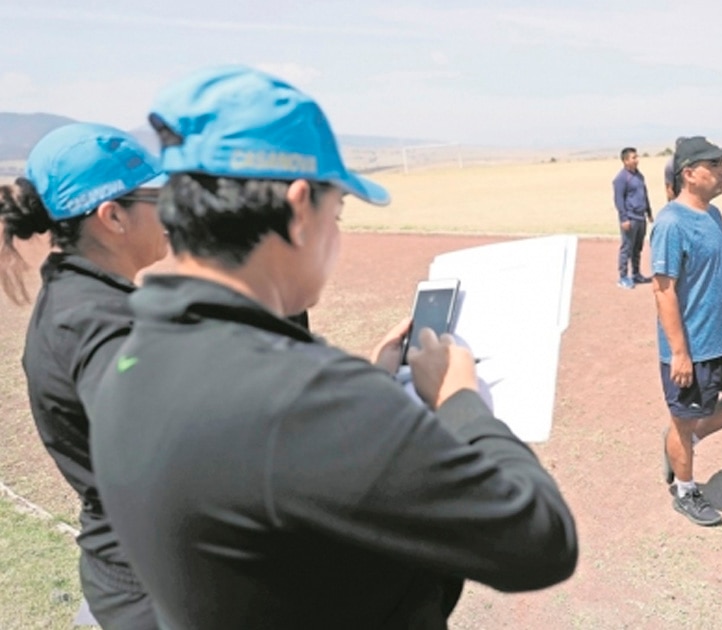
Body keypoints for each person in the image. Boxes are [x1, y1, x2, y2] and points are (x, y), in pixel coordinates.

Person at [87, 66, 578, 629]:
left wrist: (369, 387)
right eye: (337, 213)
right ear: (299, 208)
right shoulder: (307, 400)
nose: (336, 236)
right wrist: (458, 399)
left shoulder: (133, 355)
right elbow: (541, 541)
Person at [0, 123, 167, 628]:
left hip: (124, 574)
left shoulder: (81, 299)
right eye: (156, 197)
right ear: (113, 215)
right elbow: (168, 460)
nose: (170, 211)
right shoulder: (101, 324)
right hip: (155, 589)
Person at [651, 136, 722, 526]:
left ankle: (687, 440)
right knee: (682, 422)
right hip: (693, 350)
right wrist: (679, 352)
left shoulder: (714, 214)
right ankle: (685, 490)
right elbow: (663, 291)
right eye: (714, 165)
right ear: (689, 174)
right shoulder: (670, 223)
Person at [612, 147, 653, 288]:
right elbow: (618, 200)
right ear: (625, 160)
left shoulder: (639, 176)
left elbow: (645, 194)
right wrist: (624, 218)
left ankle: (636, 274)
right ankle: (623, 277)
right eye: (633, 157)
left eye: (637, 157)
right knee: (627, 248)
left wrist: (649, 212)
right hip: (630, 217)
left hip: (641, 217)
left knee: (638, 248)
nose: (637, 160)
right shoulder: (621, 179)